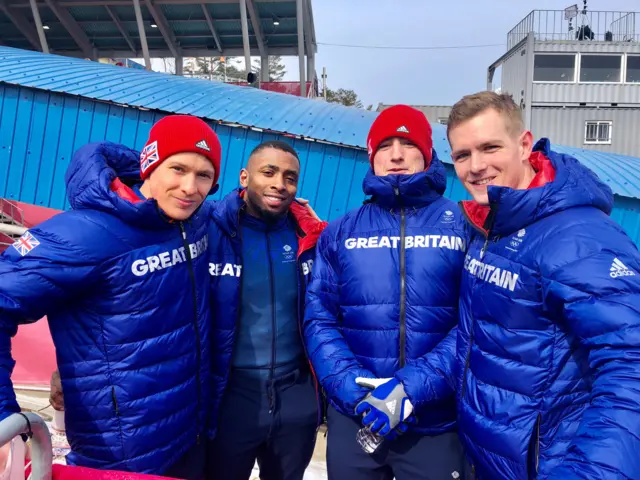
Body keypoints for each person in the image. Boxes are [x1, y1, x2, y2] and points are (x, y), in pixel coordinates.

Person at [0, 114, 221, 477]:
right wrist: (4, 415)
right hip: (119, 451)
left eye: (203, 176)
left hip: (188, 433)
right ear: (150, 165)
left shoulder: (194, 220)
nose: (189, 187)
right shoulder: (83, 234)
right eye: (177, 169)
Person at [447, 91, 640, 479]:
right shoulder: (491, 227)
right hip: (492, 459)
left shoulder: (580, 237)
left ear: (523, 144)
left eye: (489, 147)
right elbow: (479, 337)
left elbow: (630, 368)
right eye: (462, 155)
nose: (477, 166)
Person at [303, 105, 467, 480]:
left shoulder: (463, 226)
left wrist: (411, 389)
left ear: (427, 154)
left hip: (436, 420)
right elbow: (319, 317)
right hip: (357, 418)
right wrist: (353, 391)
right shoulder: (341, 231)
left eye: (408, 144)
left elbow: (475, 322)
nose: (396, 155)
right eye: (385, 145)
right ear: (371, 155)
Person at [207, 140, 327, 480]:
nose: (279, 184)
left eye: (290, 177)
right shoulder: (211, 227)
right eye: (269, 172)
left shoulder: (310, 236)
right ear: (245, 177)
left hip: (295, 394)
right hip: (234, 394)